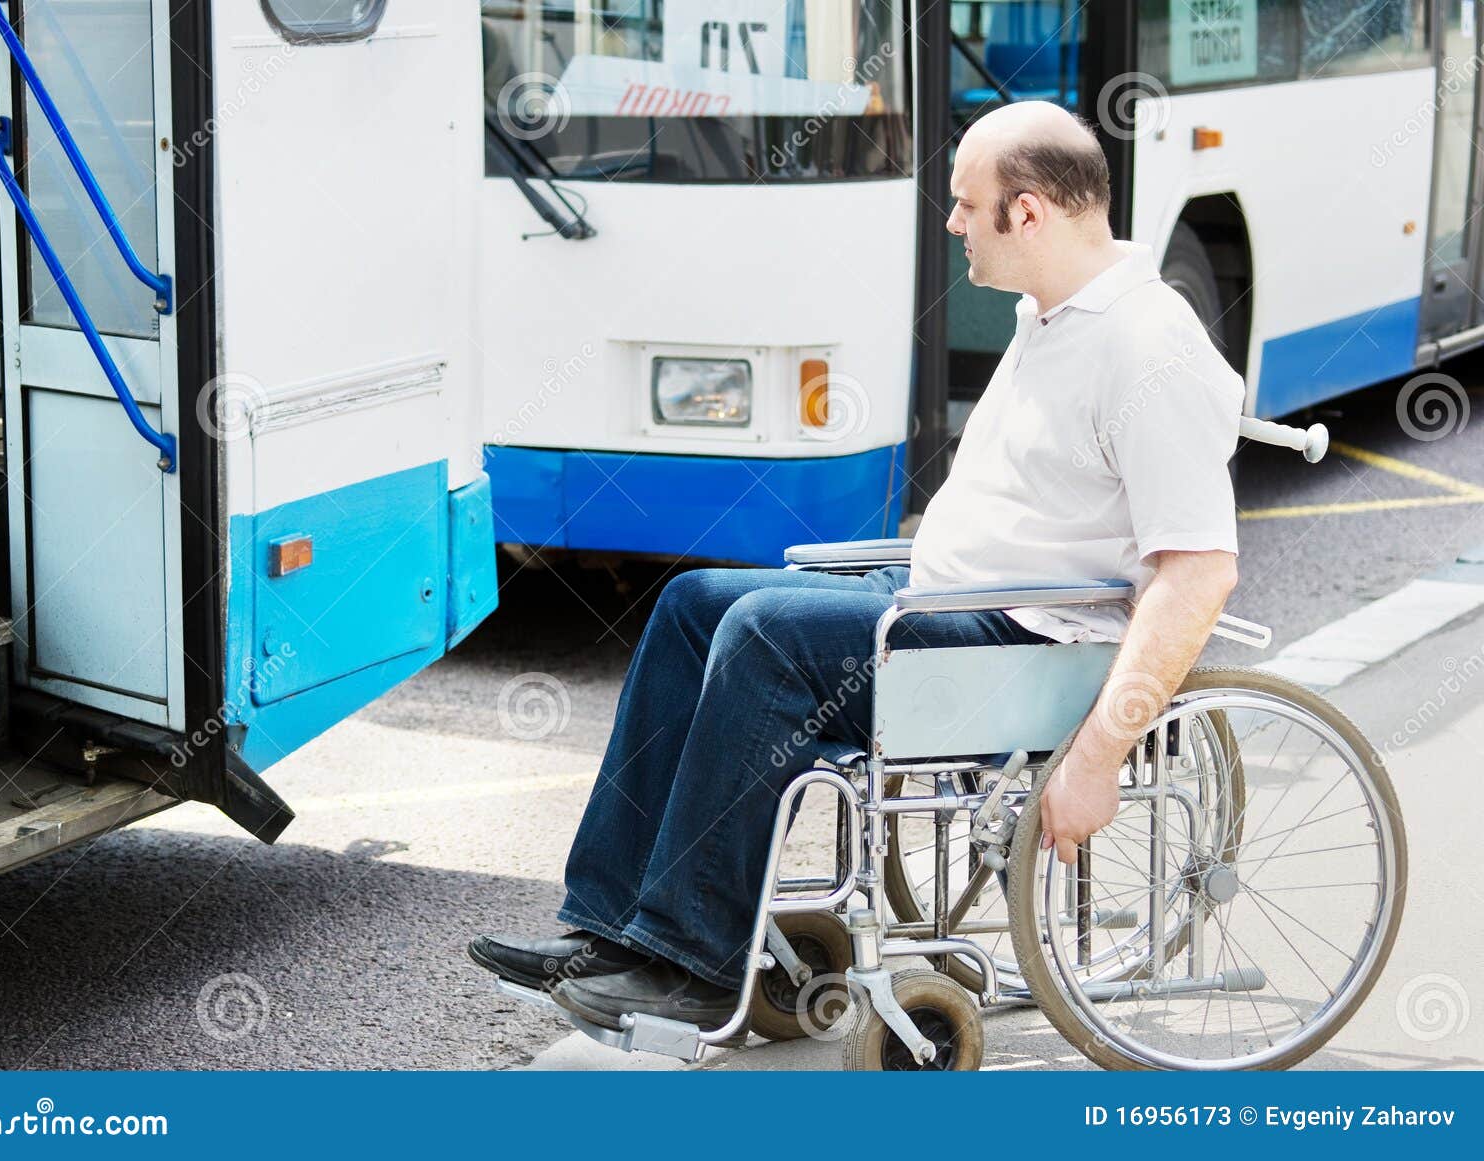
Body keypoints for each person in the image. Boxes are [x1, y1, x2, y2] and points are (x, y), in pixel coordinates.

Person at [469, 100, 1244, 1033]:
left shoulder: (1147, 346)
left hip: (1027, 645)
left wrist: (1096, 756)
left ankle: (694, 960)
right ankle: (612, 929)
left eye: (967, 204)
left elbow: (1198, 573)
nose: (953, 224)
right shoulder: (1054, 315)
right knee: (691, 603)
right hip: (943, 604)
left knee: (766, 636)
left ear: (1028, 212)